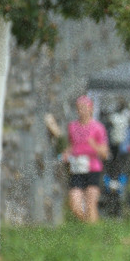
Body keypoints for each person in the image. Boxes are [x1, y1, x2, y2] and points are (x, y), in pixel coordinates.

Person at [45, 95, 109, 223]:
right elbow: (72, 146)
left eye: (84, 108)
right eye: (79, 108)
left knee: (91, 204)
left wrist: (94, 146)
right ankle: (87, 224)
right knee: (75, 204)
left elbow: (105, 154)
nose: (82, 111)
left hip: (92, 169)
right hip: (77, 169)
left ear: (91, 109)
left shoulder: (98, 128)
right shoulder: (72, 127)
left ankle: (93, 234)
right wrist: (66, 154)